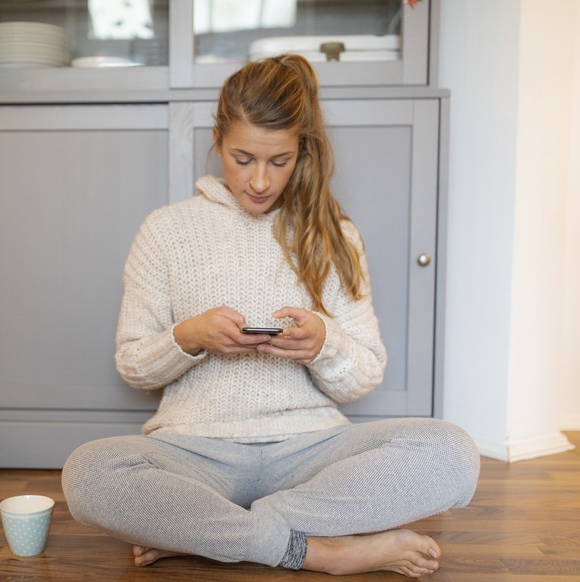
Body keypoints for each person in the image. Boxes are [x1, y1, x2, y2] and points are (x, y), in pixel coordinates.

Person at [61, 54, 480, 577]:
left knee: (453, 453)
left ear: (301, 150)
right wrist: (189, 337)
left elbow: (366, 374)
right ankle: (322, 550)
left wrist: (325, 342)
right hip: (194, 451)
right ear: (217, 139)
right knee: (89, 473)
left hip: (312, 451)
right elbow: (132, 364)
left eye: (278, 162)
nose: (259, 180)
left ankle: (210, 534)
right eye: (242, 158)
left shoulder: (334, 234)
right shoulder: (165, 231)